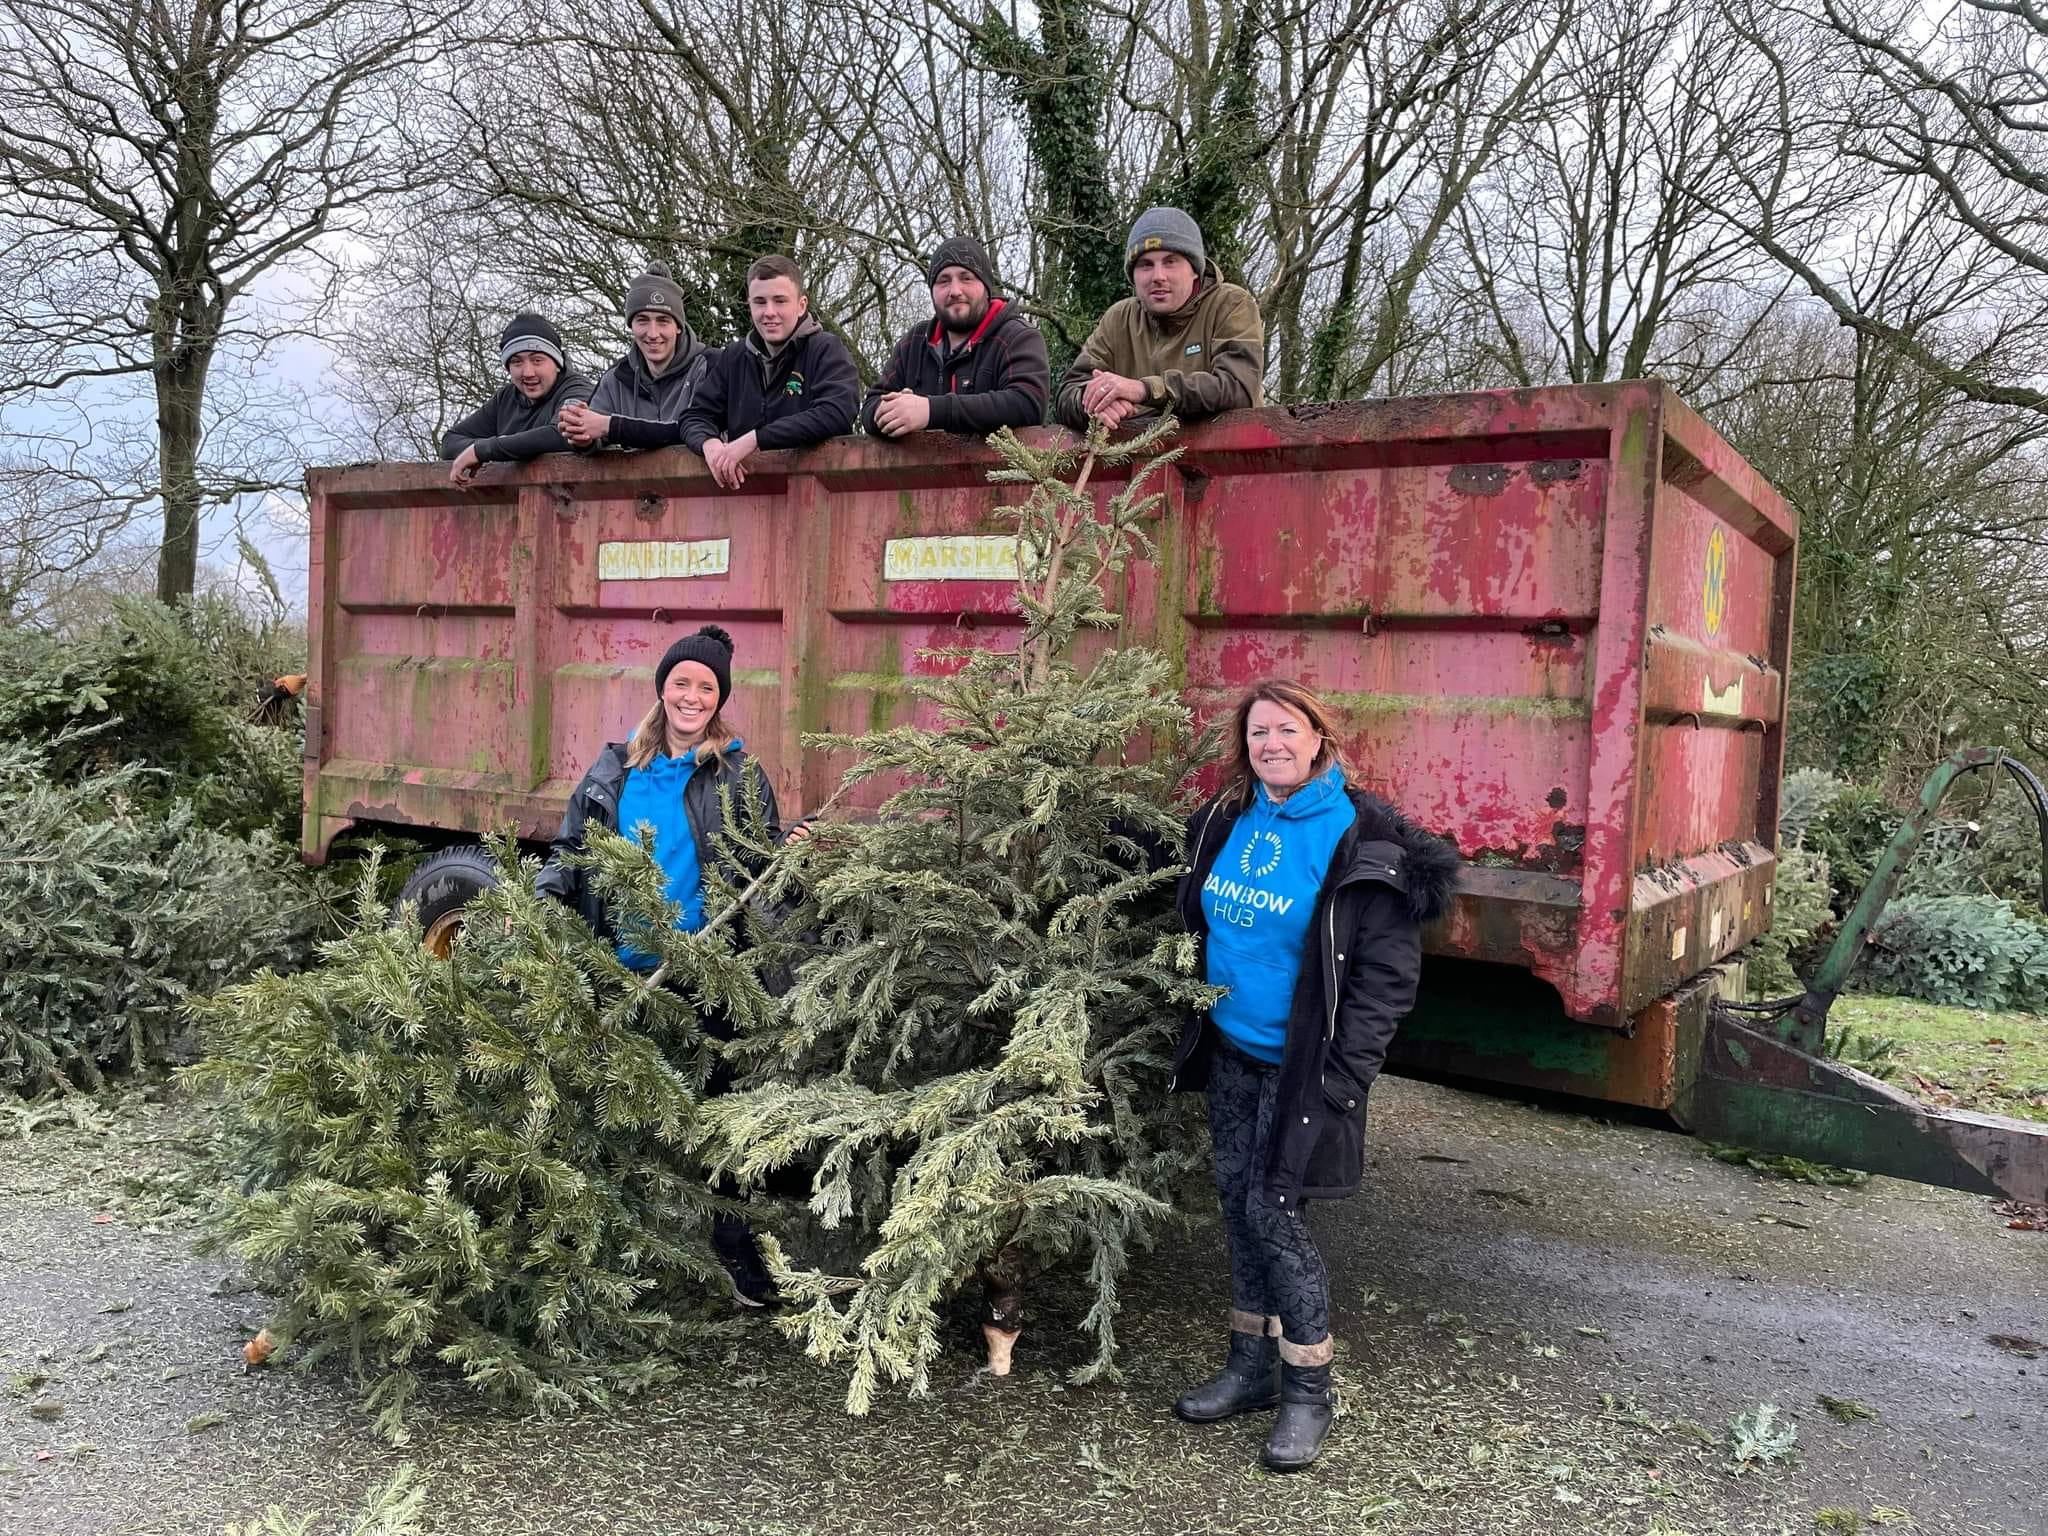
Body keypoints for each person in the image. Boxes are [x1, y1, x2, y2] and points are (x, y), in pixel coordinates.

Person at [1169, 679, 1457, 1471]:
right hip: (1231, 1048)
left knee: (1275, 1213)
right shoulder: (1227, 817)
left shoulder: (1365, 840)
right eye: (1259, 732)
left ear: (1320, 739)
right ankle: (1250, 1369)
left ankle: (1308, 1390)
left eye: (1288, 730)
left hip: (1303, 1068)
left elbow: (1386, 982)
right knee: (1237, 1206)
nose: (1273, 745)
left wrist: (1342, 1078)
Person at [535, 623, 801, 1305]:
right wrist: (536, 907)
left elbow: (761, 864)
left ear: (719, 700)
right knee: (611, 1111)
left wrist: (794, 854)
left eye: (706, 688)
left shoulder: (738, 774)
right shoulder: (613, 771)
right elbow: (570, 855)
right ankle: (599, 1255)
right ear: (662, 690)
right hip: (620, 975)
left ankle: (734, 1247)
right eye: (681, 682)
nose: (692, 696)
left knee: (724, 1116)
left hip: (706, 973)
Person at [1055, 207, 1264, 433]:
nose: (1158, 277)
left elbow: (1238, 388)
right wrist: (1096, 403)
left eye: (1170, 262)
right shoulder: (1119, 319)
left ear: (1195, 270)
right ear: (1133, 275)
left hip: (1230, 448)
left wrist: (1145, 390)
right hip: (1136, 452)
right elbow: (1068, 393)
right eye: (1146, 265)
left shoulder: (1231, 304)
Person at [678, 255, 859, 488]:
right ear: (749, 304)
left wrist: (755, 439)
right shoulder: (734, 357)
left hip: (817, 494)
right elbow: (694, 416)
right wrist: (708, 444)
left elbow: (837, 413)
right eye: (760, 302)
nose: (769, 312)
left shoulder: (826, 350)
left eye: (780, 301)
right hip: (746, 499)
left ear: (801, 305)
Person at [859, 236, 1050, 439]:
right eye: (943, 281)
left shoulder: (1018, 336)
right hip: (922, 460)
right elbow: (871, 406)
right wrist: (894, 411)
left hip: (1000, 460)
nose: (955, 291)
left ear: (986, 287)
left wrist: (930, 411)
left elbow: (1027, 403)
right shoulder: (914, 342)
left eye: (966, 278)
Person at [558, 261, 714, 453]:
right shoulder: (615, 379)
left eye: (663, 321)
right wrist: (582, 436)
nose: (653, 333)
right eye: (642, 321)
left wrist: (611, 426)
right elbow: (593, 436)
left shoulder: (710, 367)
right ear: (631, 325)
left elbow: (693, 431)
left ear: (679, 326)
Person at [439, 313, 595, 485]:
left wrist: (484, 450)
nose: (528, 372)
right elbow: (450, 442)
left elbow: (563, 434)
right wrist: (497, 449)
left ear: (557, 364)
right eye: (517, 362)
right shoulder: (505, 398)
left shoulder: (577, 389)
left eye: (537, 360)